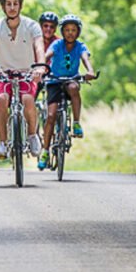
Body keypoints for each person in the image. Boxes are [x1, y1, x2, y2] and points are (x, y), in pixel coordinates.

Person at [0, 0, 46, 160]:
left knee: (27, 99)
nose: (12, 7)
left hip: (27, 73)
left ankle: (33, 136)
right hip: (4, 74)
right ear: (3, 6)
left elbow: (39, 47)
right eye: (8, 3)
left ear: (20, 5)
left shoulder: (32, 26)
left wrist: (40, 67)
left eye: (15, 3)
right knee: (2, 99)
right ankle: (2, 143)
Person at [40, 14, 96, 170]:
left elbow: (85, 59)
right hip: (54, 81)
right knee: (50, 116)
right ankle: (45, 151)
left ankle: (76, 123)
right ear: (62, 32)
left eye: (73, 30)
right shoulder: (57, 44)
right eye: (67, 30)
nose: (70, 33)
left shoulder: (81, 46)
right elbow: (47, 55)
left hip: (71, 79)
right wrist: (41, 67)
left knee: (74, 88)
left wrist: (90, 71)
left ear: (78, 32)